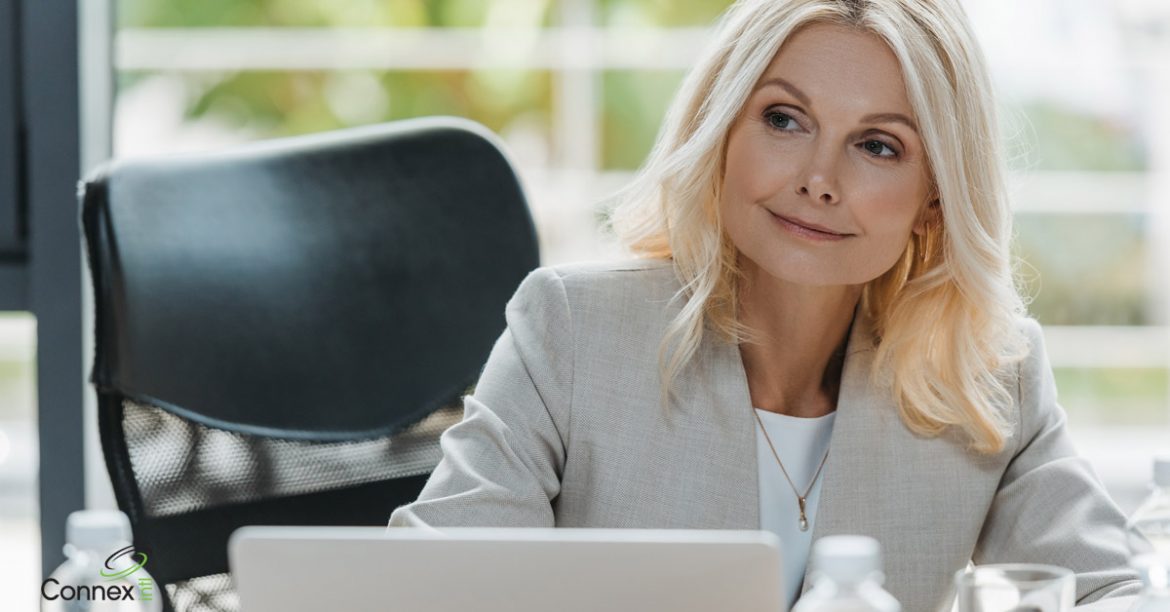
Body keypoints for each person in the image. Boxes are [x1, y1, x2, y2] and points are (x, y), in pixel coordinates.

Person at [389, 1, 1142, 610]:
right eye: (784, 120)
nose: (819, 179)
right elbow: (426, 590)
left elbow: (1109, 591)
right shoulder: (574, 331)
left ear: (933, 204)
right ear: (720, 135)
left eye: (878, 145)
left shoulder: (988, 374)